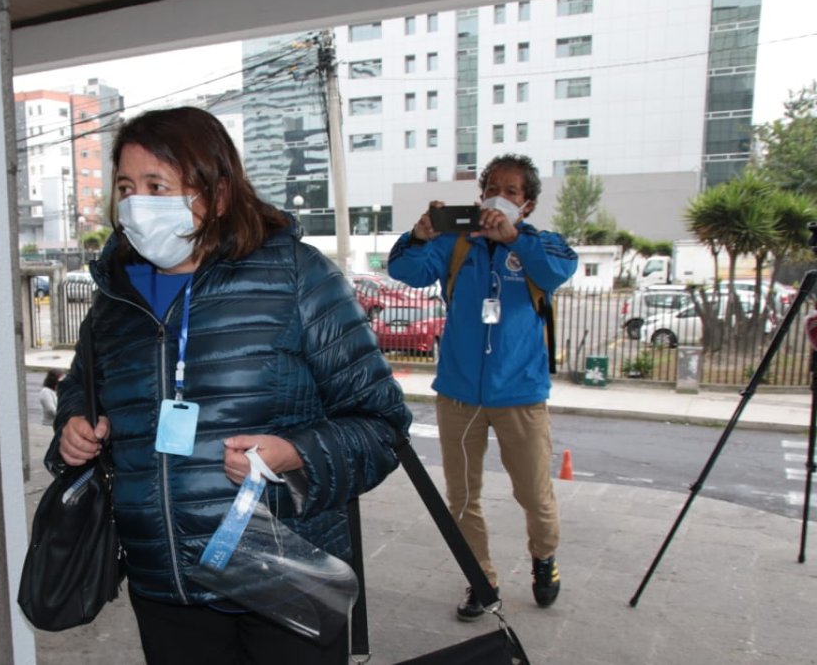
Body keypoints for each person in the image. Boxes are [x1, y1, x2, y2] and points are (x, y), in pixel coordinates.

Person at [46, 106, 411, 664]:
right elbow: (81, 390)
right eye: (126, 186)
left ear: (217, 195)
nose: (137, 203)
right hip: (166, 585)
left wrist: (295, 454)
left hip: (284, 577)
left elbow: (381, 425)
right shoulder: (113, 299)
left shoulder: (296, 275)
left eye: (157, 185)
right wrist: (73, 427)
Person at [387, 154, 578, 621]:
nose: (499, 196)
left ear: (527, 205)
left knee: (534, 493)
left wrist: (513, 239)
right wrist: (419, 236)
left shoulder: (541, 245)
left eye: (511, 191)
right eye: (492, 187)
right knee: (463, 496)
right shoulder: (455, 244)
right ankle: (480, 577)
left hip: (521, 395)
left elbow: (557, 273)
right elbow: (404, 271)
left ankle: (544, 557)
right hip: (458, 395)